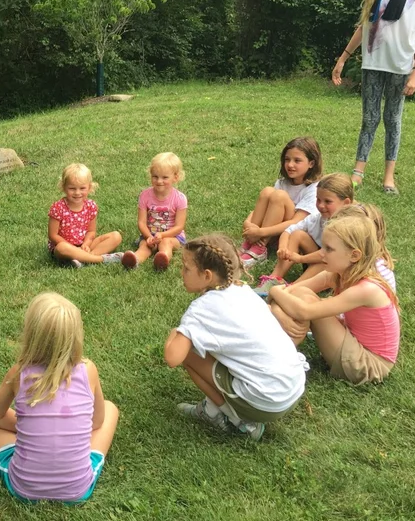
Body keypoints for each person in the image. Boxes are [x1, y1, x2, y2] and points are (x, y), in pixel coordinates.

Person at [0, 292, 119, 503]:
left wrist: (27, 426)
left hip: (24, 488)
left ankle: (37, 437)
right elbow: (97, 422)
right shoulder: (88, 370)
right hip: (77, 490)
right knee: (110, 409)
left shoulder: (19, 373)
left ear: (31, 335)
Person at [165, 234, 307, 441]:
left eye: (186, 268)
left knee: (188, 352)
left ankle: (236, 420)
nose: (181, 273)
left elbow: (172, 357)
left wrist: (174, 334)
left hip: (267, 402)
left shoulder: (201, 310)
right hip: (291, 389)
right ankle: (224, 407)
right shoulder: (243, 290)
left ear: (207, 276)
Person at [332, 0, 415, 195]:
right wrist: (343, 58)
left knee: (392, 119)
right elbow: (365, 27)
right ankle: (358, 173)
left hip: (401, 65)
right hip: (373, 62)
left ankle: (389, 177)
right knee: (369, 118)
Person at [268, 212, 400, 385]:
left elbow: (304, 311)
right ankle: (277, 350)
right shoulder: (338, 274)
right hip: (353, 344)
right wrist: (278, 307)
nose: (321, 254)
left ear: (354, 255)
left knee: (307, 303)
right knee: (303, 296)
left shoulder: (367, 289)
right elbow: (293, 291)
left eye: (329, 249)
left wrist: (275, 292)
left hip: (368, 365)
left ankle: (275, 358)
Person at [253, 173, 355, 296]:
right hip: (319, 261)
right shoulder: (319, 218)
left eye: (328, 201)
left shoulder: (349, 226)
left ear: (346, 203)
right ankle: (273, 279)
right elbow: (289, 230)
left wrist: (300, 258)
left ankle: (292, 290)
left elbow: (326, 254)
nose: (321, 205)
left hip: (336, 272)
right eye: (318, 199)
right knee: (297, 234)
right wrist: (283, 247)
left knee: (326, 260)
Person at [240, 137, 323, 268]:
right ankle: (249, 242)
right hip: (274, 232)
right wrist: (248, 223)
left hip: (292, 235)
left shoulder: (314, 188)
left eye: (297, 160)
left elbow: (297, 222)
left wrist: (260, 232)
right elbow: (264, 209)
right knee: (268, 191)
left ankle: (259, 248)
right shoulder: (282, 182)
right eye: (287, 159)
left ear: (311, 163)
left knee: (279, 196)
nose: (290, 165)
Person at [122, 152, 188, 271]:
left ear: (175, 177)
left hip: (173, 236)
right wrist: (148, 237)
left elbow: (179, 226)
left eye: (165, 177)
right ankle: (134, 260)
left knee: (165, 243)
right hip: (150, 234)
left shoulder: (180, 198)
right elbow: (141, 222)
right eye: (155, 176)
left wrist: (163, 235)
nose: (159, 181)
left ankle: (162, 259)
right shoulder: (145, 196)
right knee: (144, 246)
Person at [47, 163, 123, 267]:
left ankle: (83, 259)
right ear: (64, 187)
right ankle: (101, 259)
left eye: (82, 188)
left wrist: (86, 244)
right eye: (72, 188)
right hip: (65, 247)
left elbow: (91, 231)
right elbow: (53, 235)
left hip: (83, 245)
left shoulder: (90, 206)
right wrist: (72, 248)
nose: (77, 193)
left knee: (116, 236)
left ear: (89, 187)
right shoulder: (58, 207)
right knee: (61, 248)